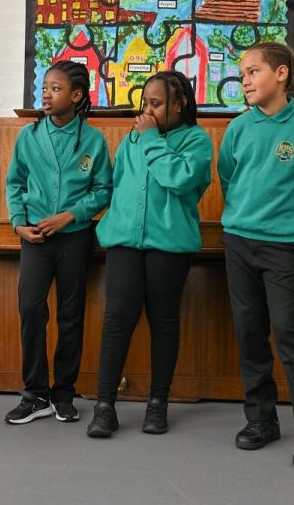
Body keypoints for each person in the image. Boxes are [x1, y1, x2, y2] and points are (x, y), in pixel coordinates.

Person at [218, 42, 294, 468]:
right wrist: (244, 221)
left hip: (283, 246)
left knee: (290, 334)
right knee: (250, 333)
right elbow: (228, 179)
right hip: (238, 242)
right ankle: (261, 419)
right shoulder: (238, 129)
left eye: (253, 71)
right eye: (243, 73)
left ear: (282, 74)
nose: (245, 80)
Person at [86, 71, 212, 438]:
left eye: (156, 103)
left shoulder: (196, 141)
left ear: (180, 103)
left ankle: (158, 404)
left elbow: (179, 179)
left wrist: (152, 139)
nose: (148, 111)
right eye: (146, 103)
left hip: (168, 245)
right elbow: (120, 184)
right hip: (125, 242)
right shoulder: (133, 139)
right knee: (117, 319)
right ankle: (105, 406)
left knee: (163, 321)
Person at [4, 60, 112, 424]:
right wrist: (19, 223)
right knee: (31, 310)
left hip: (74, 238)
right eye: (45, 87)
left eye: (56, 88)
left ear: (76, 96)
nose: (46, 95)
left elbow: (103, 190)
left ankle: (64, 393)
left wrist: (71, 215)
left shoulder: (93, 140)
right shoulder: (29, 137)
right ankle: (34, 394)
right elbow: (14, 184)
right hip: (34, 238)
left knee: (71, 315)